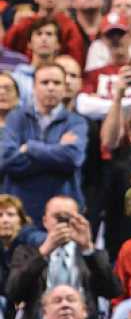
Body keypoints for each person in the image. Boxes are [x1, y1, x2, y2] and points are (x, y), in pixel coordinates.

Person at [0, 61, 85, 222]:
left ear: (64, 88)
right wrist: (57, 150)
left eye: (57, 82)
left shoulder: (76, 122)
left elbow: (72, 158)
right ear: (34, 87)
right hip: (20, 213)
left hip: (61, 213)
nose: (51, 87)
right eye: (45, 82)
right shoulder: (15, 118)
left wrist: (30, 148)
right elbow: (8, 161)